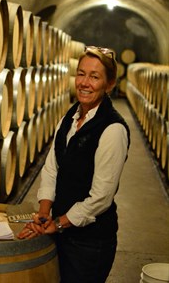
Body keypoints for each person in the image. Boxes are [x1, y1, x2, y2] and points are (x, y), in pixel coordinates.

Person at [18, 45, 130, 283]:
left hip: (90, 243)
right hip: (61, 232)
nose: (84, 82)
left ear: (109, 84)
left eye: (94, 76)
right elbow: (51, 168)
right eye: (81, 73)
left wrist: (59, 223)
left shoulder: (112, 129)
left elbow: (100, 197)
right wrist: (44, 212)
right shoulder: (70, 117)